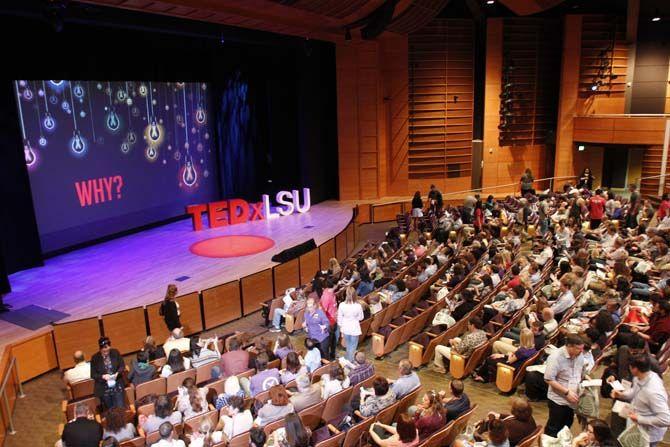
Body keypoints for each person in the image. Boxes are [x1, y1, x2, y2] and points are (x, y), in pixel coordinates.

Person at [610, 355, 670, 447]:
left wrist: (639, 419)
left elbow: (665, 419)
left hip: (649, 435)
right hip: (636, 427)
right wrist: (622, 394)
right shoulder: (640, 377)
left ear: (635, 369)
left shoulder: (653, 392)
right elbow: (634, 391)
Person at [543, 334, 585, 437]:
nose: (581, 351)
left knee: (567, 425)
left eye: (582, 349)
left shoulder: (579, 355)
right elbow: (548, 379)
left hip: (573, 399)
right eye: (578, 349)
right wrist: (566, 392)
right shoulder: (555, 357)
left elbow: (579, 372)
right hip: (558, 399)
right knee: (554, 427)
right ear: (569, 346)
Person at [91, 337, 126, 410]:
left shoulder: (115, 352)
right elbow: (93, 375)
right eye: (104, 350)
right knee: (110, 410)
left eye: (108, 350)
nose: (106, 352)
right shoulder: (95, 358)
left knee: (120, 408)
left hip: (117, 384)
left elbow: (122, 366)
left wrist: (117, 373)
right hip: (104, 387)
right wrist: (103, 376)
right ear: (100, 349)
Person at [337, 287, 364, 361]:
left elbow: (339, 318)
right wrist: (354, 317)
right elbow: (361, 318)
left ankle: (348, 359)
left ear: (346, 295)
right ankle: (350, 361)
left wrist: (341, 328)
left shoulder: (342, 305)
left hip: (345, 328)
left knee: (348, 346)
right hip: (354, 328)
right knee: (353, 346)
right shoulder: (358, 306)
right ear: (355, 295)